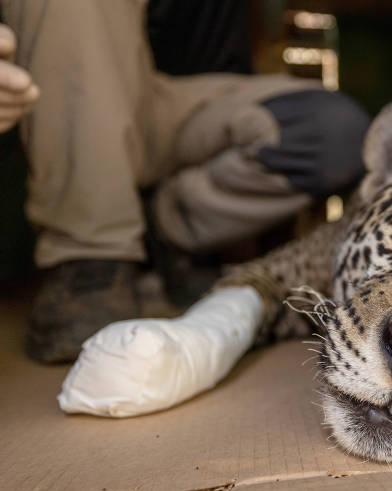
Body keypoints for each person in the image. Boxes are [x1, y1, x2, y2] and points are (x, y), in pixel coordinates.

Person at [0, 1, 370, 363]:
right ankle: (89, 258)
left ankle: (160, 230)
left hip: (159, 95)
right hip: (59, 88)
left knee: (337, 134)